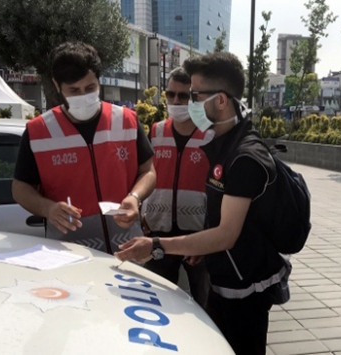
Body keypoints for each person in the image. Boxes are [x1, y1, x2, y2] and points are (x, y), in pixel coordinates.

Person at [115, 52, 290, 355]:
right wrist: (198, 245)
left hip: (244, 289)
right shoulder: (223, 144)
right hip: (225, 279)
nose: (187, 103)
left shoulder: (245, 155)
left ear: (221, 101)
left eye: (194, 95)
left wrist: (157, 245)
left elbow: (226, 234)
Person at [12, 41, 156, 254]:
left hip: (128, 249)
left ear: (99, 80)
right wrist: (48, 208)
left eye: (90, 88)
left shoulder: (126, 120)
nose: (83, 96)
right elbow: (20, 188)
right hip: (69, 253)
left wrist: (135, 196)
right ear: (57, 85)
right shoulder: (39, 130)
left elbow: (148, 171)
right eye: (73, 90)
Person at [141, 67, 212, 310]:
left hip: (197, 233)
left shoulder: (210, 135)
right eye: (170, 95)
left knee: (203, 303)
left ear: (194, 99)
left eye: (183, 96)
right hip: (158, 229)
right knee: (157, 300)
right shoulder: (156, 130)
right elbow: (146, 173)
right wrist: (143, 211)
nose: (175, 101)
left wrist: (210, 232)